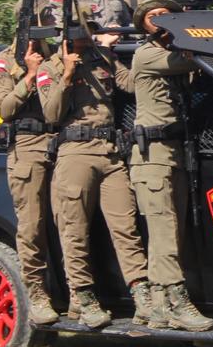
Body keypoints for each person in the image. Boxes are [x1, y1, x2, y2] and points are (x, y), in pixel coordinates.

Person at [37, 18, 152, 330]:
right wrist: (67, 75)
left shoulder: (104, 59)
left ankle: (142, 293)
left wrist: (154, 50)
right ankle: (83, 298)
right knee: (74, 230)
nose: (83, 33)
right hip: (75, 151)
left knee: (126, 226)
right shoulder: (51, 67)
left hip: (110, 151)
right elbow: (50, 113)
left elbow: (132, 84)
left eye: (87, 27)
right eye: (77, 28)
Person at [128, 0, 213, 332]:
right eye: (154, 16)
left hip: (174, 152)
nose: (162, 20)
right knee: (163, 234)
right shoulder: (149, 55)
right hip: (153, 157)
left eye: (168, 15)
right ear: (144, 25)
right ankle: (178, 303)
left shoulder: (175, 54)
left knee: (169, 236)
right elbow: (198, 62)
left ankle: (159, 307)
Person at [0, 1, 58, 325]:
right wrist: (30, 75)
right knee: (32, 227)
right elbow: (4, 107)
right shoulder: (4, 62)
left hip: (62, 142)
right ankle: (37, 295)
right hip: (28, 147)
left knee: (71, 226)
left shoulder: (57, 54)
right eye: (44, 18)